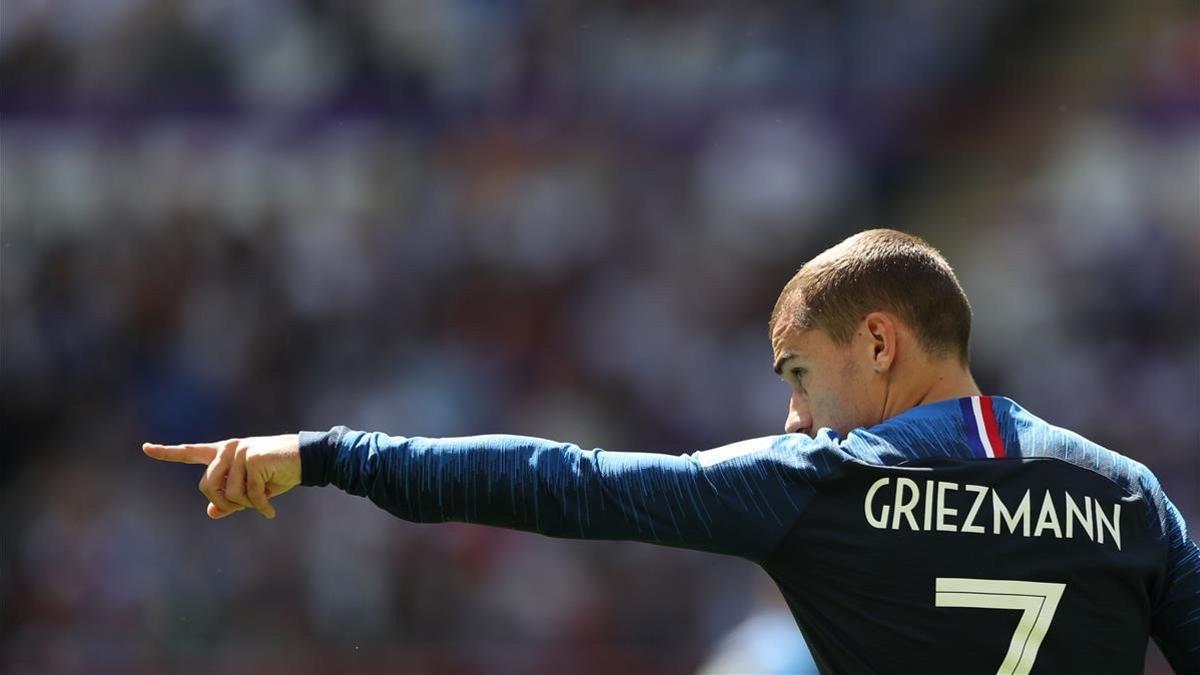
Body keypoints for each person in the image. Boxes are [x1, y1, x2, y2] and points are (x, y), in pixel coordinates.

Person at [144, 229, 1198, 674]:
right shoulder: (1131, 497)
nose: (792, 415)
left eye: (796, 374)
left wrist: (331, 453)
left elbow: (566, 485)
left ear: (878, 342)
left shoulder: (818, 489)